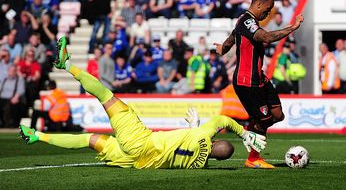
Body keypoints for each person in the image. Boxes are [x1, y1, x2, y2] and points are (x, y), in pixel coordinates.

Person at [19, 36, 266, 169]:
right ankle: (36, 136)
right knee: (89, 139)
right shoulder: (198, 166)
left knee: (106, 96)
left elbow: (222, 120)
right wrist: (195, 130)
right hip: (138, 162)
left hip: (139, 140)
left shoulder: (202, 136)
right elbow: (191, 147)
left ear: (216, 140)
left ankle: (66, 65)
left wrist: (243, 133)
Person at [214, 0, 304, 169]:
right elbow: (267, 37)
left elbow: (232, 37)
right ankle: (253, 158)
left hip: (260, 78)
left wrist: (223, 48)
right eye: (268, 8)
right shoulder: (247, 21)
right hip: (247, 81)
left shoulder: (244, 21)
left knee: (277, 115)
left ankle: (252, 130)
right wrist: (292, 28)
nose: (269, 13)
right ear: (258, 4)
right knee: (263, 120)